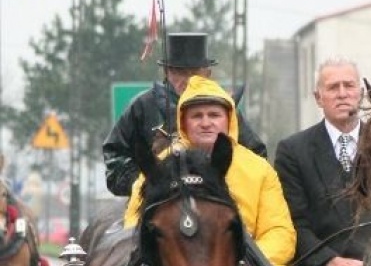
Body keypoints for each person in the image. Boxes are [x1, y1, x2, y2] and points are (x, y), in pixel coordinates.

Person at [124, 74, 301, 266]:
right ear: (183, 122)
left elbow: (280, 232)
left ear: (229, 119)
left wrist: (237, 259)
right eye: (197, 116)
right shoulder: (160, 167)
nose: (206, 122)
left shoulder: (259, 169)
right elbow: (133, 225)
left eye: (214, 115)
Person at [103, 32, 267, 197]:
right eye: (179, 72)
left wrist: (221, 181)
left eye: (194, 72)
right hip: (154, 204)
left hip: (217, 201)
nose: (188, 80)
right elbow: (114, 160)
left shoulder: (225, 109)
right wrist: (149, 181)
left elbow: (257, 158)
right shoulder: (142, 107)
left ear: (208, 74)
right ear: (167, 73)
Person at [274, 57, 371, 266]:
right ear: (319, 98)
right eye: (332, 87)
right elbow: (294, 223)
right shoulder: (293, 151)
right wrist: (332, 262)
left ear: (360, 93)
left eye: (348, 86)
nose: (342, 94)